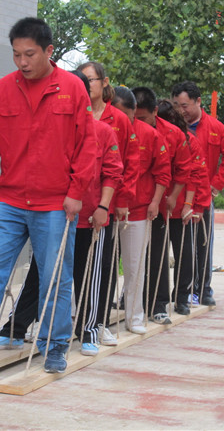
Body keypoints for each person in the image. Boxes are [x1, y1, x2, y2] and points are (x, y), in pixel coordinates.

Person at [0, 17, 96, 375]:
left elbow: (87, 147)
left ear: (48, 51)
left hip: (55, 204)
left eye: (29, 54)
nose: (22, 62)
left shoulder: (72, 89)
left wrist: (76, 192)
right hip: (9, 201)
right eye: (16, 55)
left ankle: (54, 346)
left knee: (55, 278)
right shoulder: (3, 90)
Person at [0, 71, 124, 356]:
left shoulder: (103, 131)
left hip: (88, 218)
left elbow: (113, 173)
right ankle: (16, 329)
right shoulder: (49, 127)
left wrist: (103, 207)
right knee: (40, 276)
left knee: (87, 277)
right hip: (53, 217)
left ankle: (88, 332)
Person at [77, 62, 140, 345]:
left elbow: (129, 163)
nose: (86, 85)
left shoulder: (119, 120)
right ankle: (74, 320)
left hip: (105, 205)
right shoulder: (74, 115)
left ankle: (98, 322)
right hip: (74, 206)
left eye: (91, 79)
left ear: (104, 82)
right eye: (82, 80)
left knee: (102, 266)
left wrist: (121, 200)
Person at [132, 87, 205, 320]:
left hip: (167, 204)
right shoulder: (128, 129)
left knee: (173, 253)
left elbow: (188, 173)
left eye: (143, 118)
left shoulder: (177, 136)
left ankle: (174, 299)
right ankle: (140, 301)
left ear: (155, 112)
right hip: (139, 203)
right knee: (144, 256)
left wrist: (182, 201)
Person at [171, 82, 224, 306]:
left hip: (202, 196)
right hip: (176, 198)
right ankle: (179, 292)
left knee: (202, 244)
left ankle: (203, 289)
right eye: (176, 105)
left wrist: (215, 184)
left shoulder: (215, 128)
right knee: (181, 247)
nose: (181, 111)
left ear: (198, 101)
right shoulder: (171, 127)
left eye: (185, 105)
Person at [111, 86, 171, 334]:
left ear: (134, 111)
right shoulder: (104, 129)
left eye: (125, 114)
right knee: (102, 266)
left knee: (135, 266)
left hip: (137, 210)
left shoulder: (149, 135)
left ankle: (134, 317)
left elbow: (163, 172)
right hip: (106, 208)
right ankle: (94, 317)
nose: (120, 119)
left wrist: (155, 202)